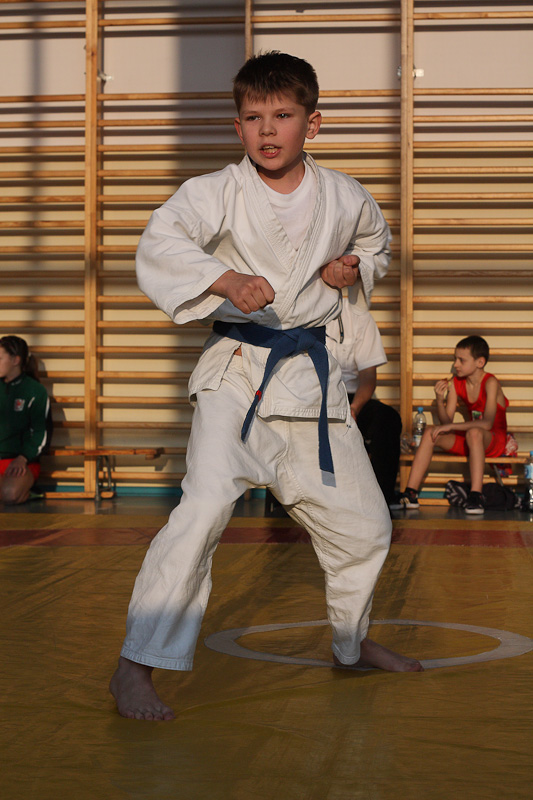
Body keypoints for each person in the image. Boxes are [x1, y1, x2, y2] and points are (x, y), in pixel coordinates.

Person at [110, 51, 423, 721]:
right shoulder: (215, 192)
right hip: (238, 376)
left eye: (282, 115)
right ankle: (136, 665)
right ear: (238, 126)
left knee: (365, 527)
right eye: (253, 118)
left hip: (312, 385)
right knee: (201, 512)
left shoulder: (346, 195)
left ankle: (351, 642)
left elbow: (377, 243)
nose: (268, 130)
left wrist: (353, 266)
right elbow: (161, 241)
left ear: (313, 123)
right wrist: (223, 280)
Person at [394, 335, 508, 515]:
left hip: (493, 440)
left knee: (475, 432)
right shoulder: (456, 382)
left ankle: (476, 496)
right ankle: (411, 493)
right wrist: (440, 400)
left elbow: (487, 423)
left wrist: (451, 427)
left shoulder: (491, 382)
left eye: (462, 360)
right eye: (455, 359)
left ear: (480, 362)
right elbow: (446, 423)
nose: (456, 364)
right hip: (472, 440)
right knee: (431, 432)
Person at [325, 295, 402, 507]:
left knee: (388, 420)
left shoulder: (359, 317)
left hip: (351, 396)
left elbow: (368, 376)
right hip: (312, 396)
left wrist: (354, 408)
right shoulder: (300, 310)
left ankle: (381, 500)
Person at [0, 335, 50, 505]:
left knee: (9, 494)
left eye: (0, 358)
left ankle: (26, 491)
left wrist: (23, 458)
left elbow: (41, 433)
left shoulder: (35, 391)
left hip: (21, 462)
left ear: (16, 360)